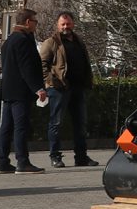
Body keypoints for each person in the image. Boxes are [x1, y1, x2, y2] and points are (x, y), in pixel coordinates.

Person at [38, 11, 98, 169]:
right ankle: (55, 156)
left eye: (68, 23)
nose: (66, 27)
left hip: (78, 88)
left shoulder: (79, 41)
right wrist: (52, 82)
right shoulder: (51, 42)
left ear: (73, 24)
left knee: (80, 124)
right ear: (57, 25)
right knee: (56, 123)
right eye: (63, 24)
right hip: (59, 90)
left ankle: (81, 157)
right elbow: (42, 65)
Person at [0, 9, 47, 174]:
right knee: (20, 127)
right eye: (35, 21)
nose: (35, 25)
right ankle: (22, 162)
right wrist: (38, 88)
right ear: (27, 22)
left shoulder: (9, 40)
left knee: (6, 127)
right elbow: (27, 68)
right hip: (20, 91)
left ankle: (2, 162)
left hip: (8, 90)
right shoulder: (23, 41)